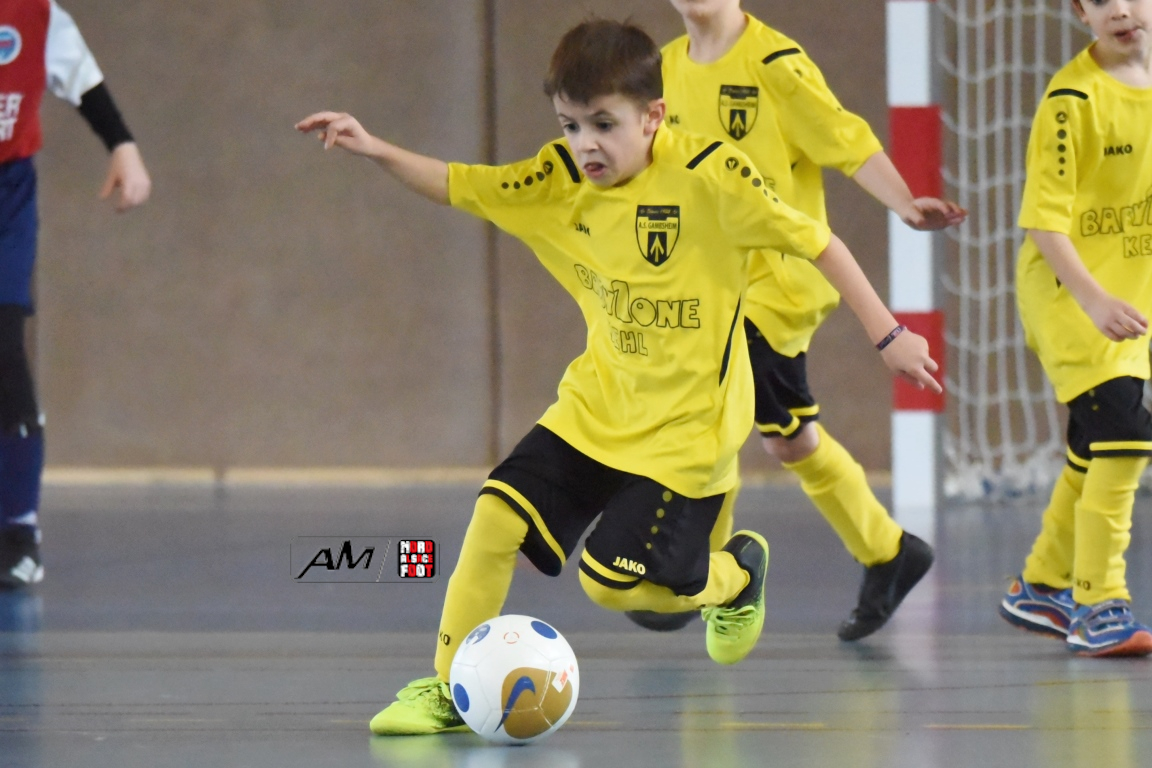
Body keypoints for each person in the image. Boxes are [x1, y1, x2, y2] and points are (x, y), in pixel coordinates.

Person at [297, 19, 940, 735]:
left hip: (688, 434)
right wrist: (374, 147)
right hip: (597, 408)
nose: (586, 144)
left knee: (612, 586)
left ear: (654, 116)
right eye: (571, 125)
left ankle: (734, 577)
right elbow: (458, 185)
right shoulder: (559, 178)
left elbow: (821, 244)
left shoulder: (714, 176)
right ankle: (449, 690)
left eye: (604, 124)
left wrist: (890, 335)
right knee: (495, 515)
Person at [622, 0, 967, 641]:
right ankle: (888, 551)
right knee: (789, 438)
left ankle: (694, 572)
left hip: (777, 284)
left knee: (715, 410)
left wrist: (903, 203)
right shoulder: (662, 70)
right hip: (713, 286)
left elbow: (846, 139)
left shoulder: (775, 64)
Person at [998, 0, 1152, 658]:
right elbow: (1043, 221)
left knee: (1094, 444)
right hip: (1069, 295)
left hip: (1131, 296)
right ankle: (1099, 602)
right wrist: (1093, 301)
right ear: (1080, 12)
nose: (1120, 9)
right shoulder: (1072, 101)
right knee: (1125, 435)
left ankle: (1040, 584)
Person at [0, 0, 151, 588]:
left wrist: (123, 146)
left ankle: (18, 531)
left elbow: (82, 79)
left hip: (6, 191)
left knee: (5, 349)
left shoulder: (34, 14)